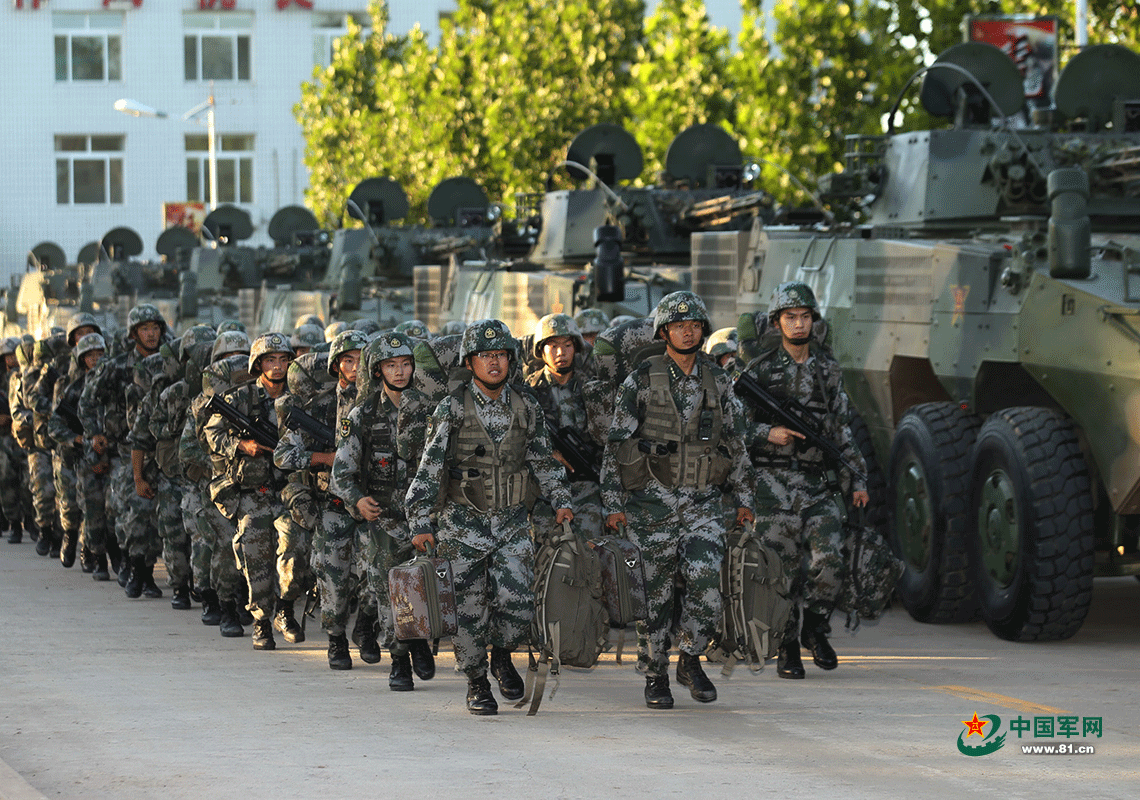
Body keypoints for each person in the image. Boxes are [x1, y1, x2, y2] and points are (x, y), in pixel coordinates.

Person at [405, 319, 574, 716]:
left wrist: (562, 498)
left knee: (516, 605)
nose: (493, 362)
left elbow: (542, 460)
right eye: (485, 355)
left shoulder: (526, 405)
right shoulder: (451, 409)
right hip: (462, 525)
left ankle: (502, 655)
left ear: (511, 360)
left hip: (513, 522)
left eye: (500, 355)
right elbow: (429, 469)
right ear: (470, 362)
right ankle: (476, 680)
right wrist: (420, 523)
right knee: (467, 609)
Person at [600, 291, 754, 710]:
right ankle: (655, 674)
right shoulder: (642, 379)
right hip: (651, 506)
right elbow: (617, 445)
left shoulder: (719, 380)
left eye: (695, 325)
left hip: (703, 503)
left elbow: (736, 443)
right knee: (655, 596)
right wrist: (612, 505)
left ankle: (688, 657)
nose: (688, 331)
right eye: (679, 325)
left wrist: (745, 497)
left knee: (707, 585)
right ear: (664, 331)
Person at [740, 282, 868, 680]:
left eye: (805, 317)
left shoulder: (827, 369)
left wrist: (857, 477)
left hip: (817, 481)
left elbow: (841, 429)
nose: (798, 324)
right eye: (790, 317)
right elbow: (729, 425)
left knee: (830, 560)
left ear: (814, 321)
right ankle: (787, 644)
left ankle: (814, 625)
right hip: (772, 484)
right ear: (777, 323)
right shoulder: (758, 371)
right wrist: (766, 434)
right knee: (779, 571)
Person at [331, 331, 436, 690]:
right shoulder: (362, 414)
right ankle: (400, 660)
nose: (400, 372)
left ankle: (419, 641)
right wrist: (357, 499)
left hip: (425, 518)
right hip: (384, 521)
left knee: (424, 589)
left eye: (406, 364)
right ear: (378, 370)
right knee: (388, 592)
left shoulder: (430, 409)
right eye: (392, 365)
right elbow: (341, 472)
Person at [204, 333, 295, 650]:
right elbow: (212, 433)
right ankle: (261, 622)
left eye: (284, 359)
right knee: (255, 558)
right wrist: (242, 445)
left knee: (297, 555)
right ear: (259, 365)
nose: (279, 366)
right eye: (271, 360)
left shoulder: (298, 400)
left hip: (290, 491)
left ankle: (285, 607)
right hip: (252, 493)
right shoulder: (241, 398)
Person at [525, 313, 604, 544]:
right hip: (544, 492)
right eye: (553, 346)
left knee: (591, 554)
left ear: (576, 348)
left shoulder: (592, 387)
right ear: (541, 351)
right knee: (547, 559)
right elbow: (515, 438)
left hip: (587, 487)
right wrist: (548, 454)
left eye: (567, 345)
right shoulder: (527, 391)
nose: (561, 353)